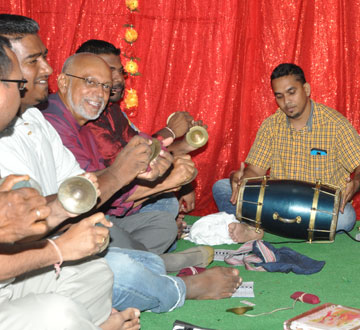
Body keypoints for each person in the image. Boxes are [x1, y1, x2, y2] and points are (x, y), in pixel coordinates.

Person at [0, 14, 242, 314]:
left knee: (124, 247)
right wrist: (134, 174)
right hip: (34, 259)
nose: (47, 68)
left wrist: (165, 166)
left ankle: (154, 266)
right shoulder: (48, 120)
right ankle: (178, 288)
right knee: (114, 267)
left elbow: (81, 191)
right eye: (34, 60)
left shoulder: (37, 119)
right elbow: (38, 224)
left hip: (66, 239)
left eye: (108, 81)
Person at [0, 31, 140, 330]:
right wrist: (61, 249)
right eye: (19, 78)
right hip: (21, 263)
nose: (48, 70)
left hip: (15, 274)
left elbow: (77, 186)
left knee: (95, 272)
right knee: (58, 311)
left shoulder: (35, 119)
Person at [42, 52, 195, 254]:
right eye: (91, 82)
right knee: (111, 232)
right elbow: (87, 195)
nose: (100, 93)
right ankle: (149, 264)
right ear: (62, 81)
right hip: (63, 227)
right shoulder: (53, 122)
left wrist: (167, 167)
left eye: (106, 85)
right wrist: (165, 183)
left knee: (162, 222)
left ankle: (144, 262)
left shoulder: (90, 118)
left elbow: (138, 153)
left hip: (104, 210)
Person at [212, 63, 360, 242]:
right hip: (276, 203)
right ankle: (272, 228)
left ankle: (260, 226)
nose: (286, 102)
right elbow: (255, 171)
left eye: (291, 92)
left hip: (317, 208)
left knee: (347, 217)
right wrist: (240, 179)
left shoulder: (335, 124)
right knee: (222, 187)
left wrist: (356, 182)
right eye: (279, 96)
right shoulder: (271, 126)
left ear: (306, 89)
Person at [75, 39, 204, 236]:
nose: (118, 79)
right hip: (100, 205)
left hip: (123, 197)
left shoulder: (113, 111)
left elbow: (147, 153)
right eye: (110, 71)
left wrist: (186, 145)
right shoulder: (87, 116)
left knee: (166, 204)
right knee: (166, 205)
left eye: (121, 72)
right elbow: (128, 165)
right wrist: (169, 132)